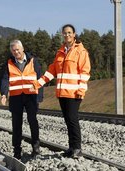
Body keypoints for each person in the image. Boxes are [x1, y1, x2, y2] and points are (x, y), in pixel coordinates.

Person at [30, 24, 91, 158]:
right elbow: (52, 71)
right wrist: (38, 83)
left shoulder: (81, 52)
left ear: (74, 35)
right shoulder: (60, 52)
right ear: (62, 35)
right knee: (68, 120)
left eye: (69, 33)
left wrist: (81, 89)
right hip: (62, 93)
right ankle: (71, 147)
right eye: (65, 33)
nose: (67, 35)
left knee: (72, 119)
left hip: (74, 92)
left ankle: (77, 148)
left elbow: (85, 72)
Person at [0, 39, 43, 160]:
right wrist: (4, 94)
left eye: (17, 50)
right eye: (13, 50)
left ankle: (36, 147)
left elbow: (40, 79)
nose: (16, 52)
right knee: (16, 124)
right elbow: (4, 79)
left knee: (32, 121)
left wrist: (39, 96)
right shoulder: (9, 63)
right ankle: (17, 150)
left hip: (31, 96)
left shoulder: (33, 61)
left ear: (22, 49)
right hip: (16, 97)